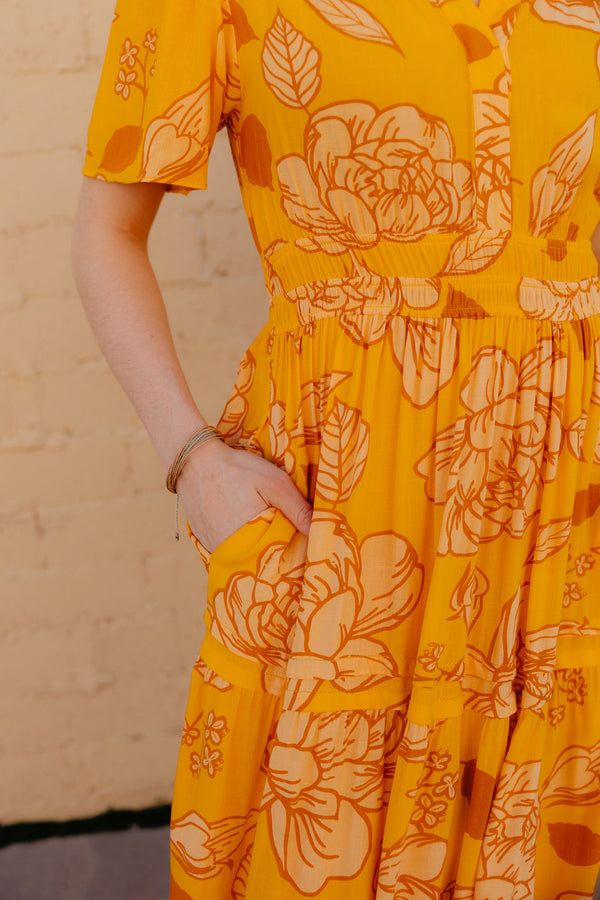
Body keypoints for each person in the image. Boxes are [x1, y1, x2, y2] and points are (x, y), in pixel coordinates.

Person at [72, 0, 600, 896]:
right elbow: (106, 234)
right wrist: (191, 457)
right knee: (315, 835)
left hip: (560, 495)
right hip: (344, 498)